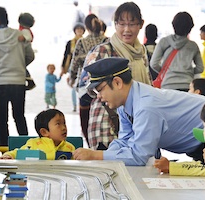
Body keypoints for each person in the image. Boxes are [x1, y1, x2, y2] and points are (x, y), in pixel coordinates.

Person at [73, 57, 205, 166]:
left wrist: (96, 155)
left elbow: (139, 155)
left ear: (118, 83)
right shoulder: (124, 104)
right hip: (198, 142)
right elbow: (125, 140)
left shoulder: (145, 106)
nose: (99, 96)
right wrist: (106, 156)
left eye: (100, 89)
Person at [83, 2, 152, 150]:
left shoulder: (141, 53)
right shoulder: (103, 50)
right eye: (122, 24)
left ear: (141, 24)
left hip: (138, 121)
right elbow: (87, 86)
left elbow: (148, 87)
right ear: (115, 25)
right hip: (107, 120)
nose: (126, 30)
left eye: (132, 24)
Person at [0, 6, 35, 146]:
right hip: (18, 83)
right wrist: (19, 65)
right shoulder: (18, 35)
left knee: (1, 120)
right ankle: (27, 148)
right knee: (19, 117)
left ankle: (4, 153)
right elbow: (30, 55)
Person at [69, 13, 108, 147]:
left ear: (86, 27)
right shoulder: (107, 41)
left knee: (85, 118)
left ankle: (90, 145)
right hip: (104, 87)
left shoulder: (81, 42)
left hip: (85, 86)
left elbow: (75, 63)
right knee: (105, 118)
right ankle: (103, 146)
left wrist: (72, 77)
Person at [150, 12, 203, 91]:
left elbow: (153, 64)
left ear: (173, 25)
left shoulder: (164, 41)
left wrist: (166, 71)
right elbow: (200, 68)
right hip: (187, 85)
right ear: (190, 28)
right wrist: (188, 72)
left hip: (167, 85)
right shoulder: (193, 46)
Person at [0, 109, 75, 160]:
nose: (64, 128)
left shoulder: (69, 147)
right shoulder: (34, 144)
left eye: (64, 123)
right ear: (44, 132)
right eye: (58, 124)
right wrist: (8, 156)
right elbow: (18, 153)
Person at [61, 22, 85, 112]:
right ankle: (75, 105)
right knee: (73, 86)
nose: (79, 31)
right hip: (72, 67)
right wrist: (63, 67)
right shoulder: (70, 42)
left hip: (83, 67)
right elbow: (66, 55)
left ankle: (81, 103)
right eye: (77, 30)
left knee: (80, 86)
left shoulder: (85, 42)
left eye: (81, 30)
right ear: (74, 31)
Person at [18, 12, 36, 91]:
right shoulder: (26, 29)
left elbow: (28, 37)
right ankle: (28, 80)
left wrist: (23, 38)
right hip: (28, 54)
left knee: (20, 65)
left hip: (27, 54)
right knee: (21, 66)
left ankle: (30, 81)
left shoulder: (25, 30)